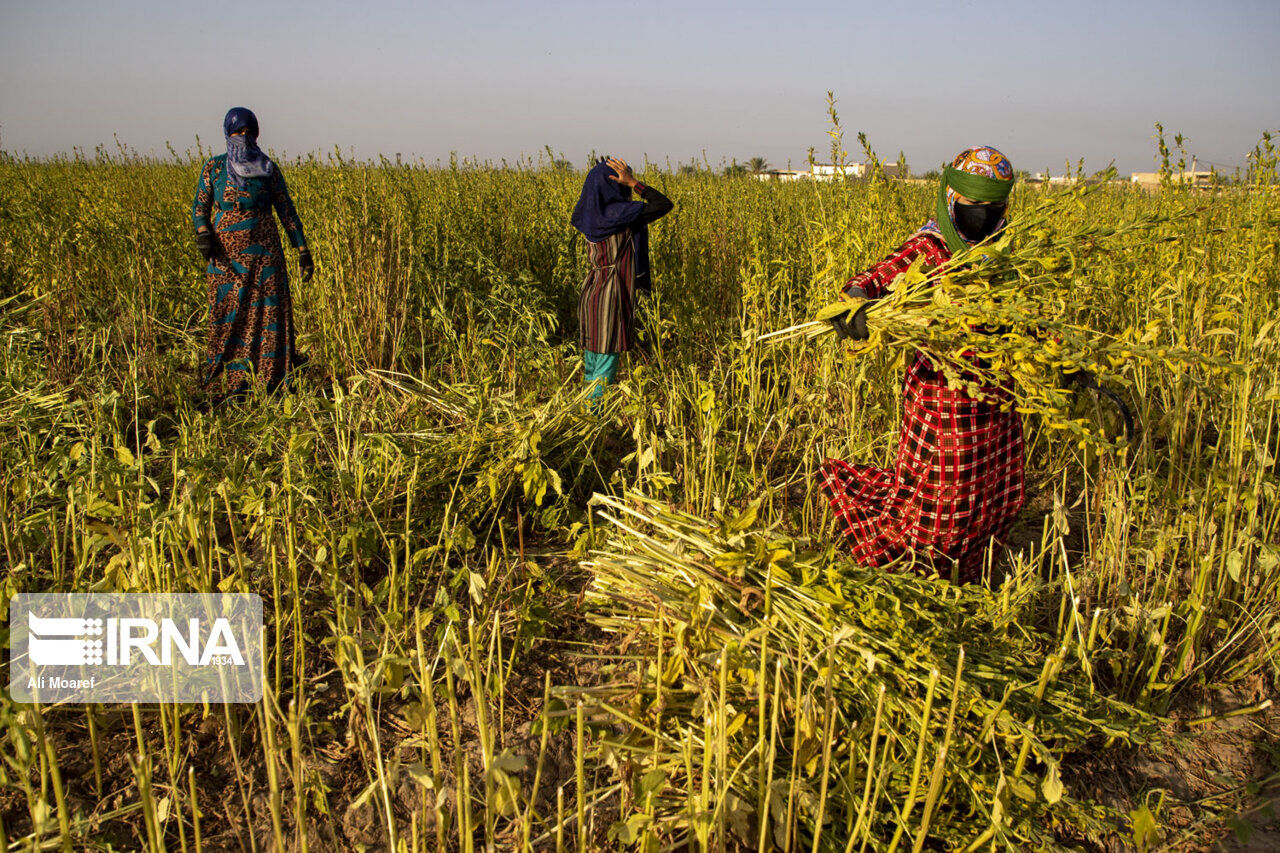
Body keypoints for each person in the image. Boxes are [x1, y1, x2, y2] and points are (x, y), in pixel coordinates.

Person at [820, 146, 1022, 583]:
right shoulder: (930, 249)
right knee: (942, 506)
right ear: (950, 201)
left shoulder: (1003, 253)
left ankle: (970, 572)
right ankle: (920, 573)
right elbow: (877, 276)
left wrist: (1066, 364)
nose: (984, 221)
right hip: (944, 397)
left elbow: (1029, 317)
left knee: (994, 496)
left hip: (999, 398)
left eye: (995, 210)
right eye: (973, 211)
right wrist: (857, 299)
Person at [191, 107, 312, 401]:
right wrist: (203, 234)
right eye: (237, 132)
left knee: (268, 313)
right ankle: (227, 382)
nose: (243, 138)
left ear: (256, 134)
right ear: (227, 134)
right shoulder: (214, 169)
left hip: (265, 255)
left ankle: (271, 380)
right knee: (228, 314)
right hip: (226, 259)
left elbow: (287, 211)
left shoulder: (267, 169)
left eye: (248, 132)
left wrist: (303, 250)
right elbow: (199, 208)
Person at [570, 157, 673, 398]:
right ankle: (592, 427)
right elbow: (663, 204)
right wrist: (634, 183)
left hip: (590, 297)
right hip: (611, 299)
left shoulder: (589, 215)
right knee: (603, 374)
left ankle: (583, 419)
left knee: (592, 369)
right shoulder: (621, 215)